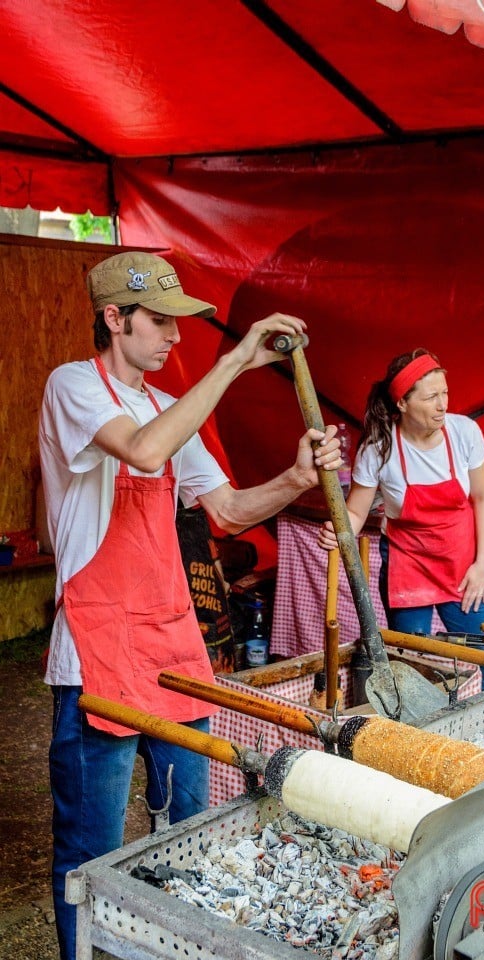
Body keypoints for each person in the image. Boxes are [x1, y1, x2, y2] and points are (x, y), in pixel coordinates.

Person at [38, 251, 341, 960]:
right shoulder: (73, 386)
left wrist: (293, 477)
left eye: (180, 323)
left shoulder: (164, 408)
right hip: (98, 649)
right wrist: (235, 360)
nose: (174, 337)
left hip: (173, 646)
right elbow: (144, 453)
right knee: (91, 851)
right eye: (159, 321)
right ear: (114, 319)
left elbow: (230, 509)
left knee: (189, 832)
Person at [318, 347, 484, 690]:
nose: (443, 404)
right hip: (408, 565)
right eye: (431, 397)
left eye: (445, 393)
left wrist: (483, 563)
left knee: (479, 659)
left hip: (461, 565)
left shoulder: (464, 433)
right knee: (411, 664)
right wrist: (340, 533)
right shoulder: (378, 449)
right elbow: (355, 512)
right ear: (402, 403)